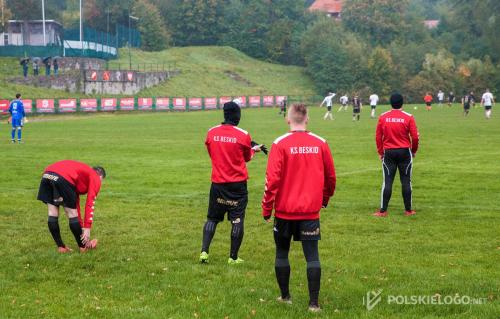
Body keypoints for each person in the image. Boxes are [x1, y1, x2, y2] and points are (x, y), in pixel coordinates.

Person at [261, 103, 336, 312]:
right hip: (310, 212)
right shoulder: (320, 143)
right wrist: (325, 198)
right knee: (312, 255)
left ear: (288, 119)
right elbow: (331, 177)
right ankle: (313, 304)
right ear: (307, 119)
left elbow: (271, 180)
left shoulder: (279, 143)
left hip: (284, 212)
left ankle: (285, 297)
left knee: (282, 253)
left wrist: (267, 208)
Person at [200, 101, 264, 264]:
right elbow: (246, 157)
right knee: (237, 220)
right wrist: (253, 150)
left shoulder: (211, 132)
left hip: (218, 183)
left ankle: (204, 252)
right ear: (237, 115)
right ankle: (233, 257)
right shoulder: (243, 134)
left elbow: (212, 153)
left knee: (212, 219)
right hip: (237, 185)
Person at [37, 160, 106, 253]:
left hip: (47, 174)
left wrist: (81, 226)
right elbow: (90, 202)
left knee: (52, 213)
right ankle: (83, 247)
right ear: (100, 176)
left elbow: (75, 202)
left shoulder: (82, 173)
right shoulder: (95, 176)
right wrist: (87, 228)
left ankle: (61, 247)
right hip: (62, 177)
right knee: (72, 214)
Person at [374, 93, 419, 217]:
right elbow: (415, 137)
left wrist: (380, 152)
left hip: (389, 152)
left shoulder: (383, 117)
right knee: (406, 181)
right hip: (405, 152)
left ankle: (383, 211)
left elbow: (378, 136)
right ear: (402, 103)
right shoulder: (409, 117)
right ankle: (408, 210)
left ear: (391, 103)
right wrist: (413, 151)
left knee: (387, 181)